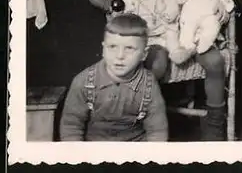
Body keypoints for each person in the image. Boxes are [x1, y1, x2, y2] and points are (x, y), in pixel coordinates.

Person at [85, 0, 230, 140]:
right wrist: (111, 7)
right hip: (156, 35)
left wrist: (221, 4)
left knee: (214, 61)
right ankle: (148, 120)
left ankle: (215, 125)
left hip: (190, 33)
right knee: (157, 62)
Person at [59, 13, 169, 141]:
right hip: (95, 149)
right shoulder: (83, 81)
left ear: (144, 55)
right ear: (103, 49)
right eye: (112, 47)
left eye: (129, 48)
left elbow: (157, 131)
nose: (120, 56)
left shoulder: (148, 84)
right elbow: (71, 126)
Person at [119, 0, 192, 77]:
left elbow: (172, 3)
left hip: (161, 31)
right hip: (142, 34)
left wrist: (170, 13)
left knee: (171, 36)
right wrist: (126, 12)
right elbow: (122, 7)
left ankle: (175, 52)